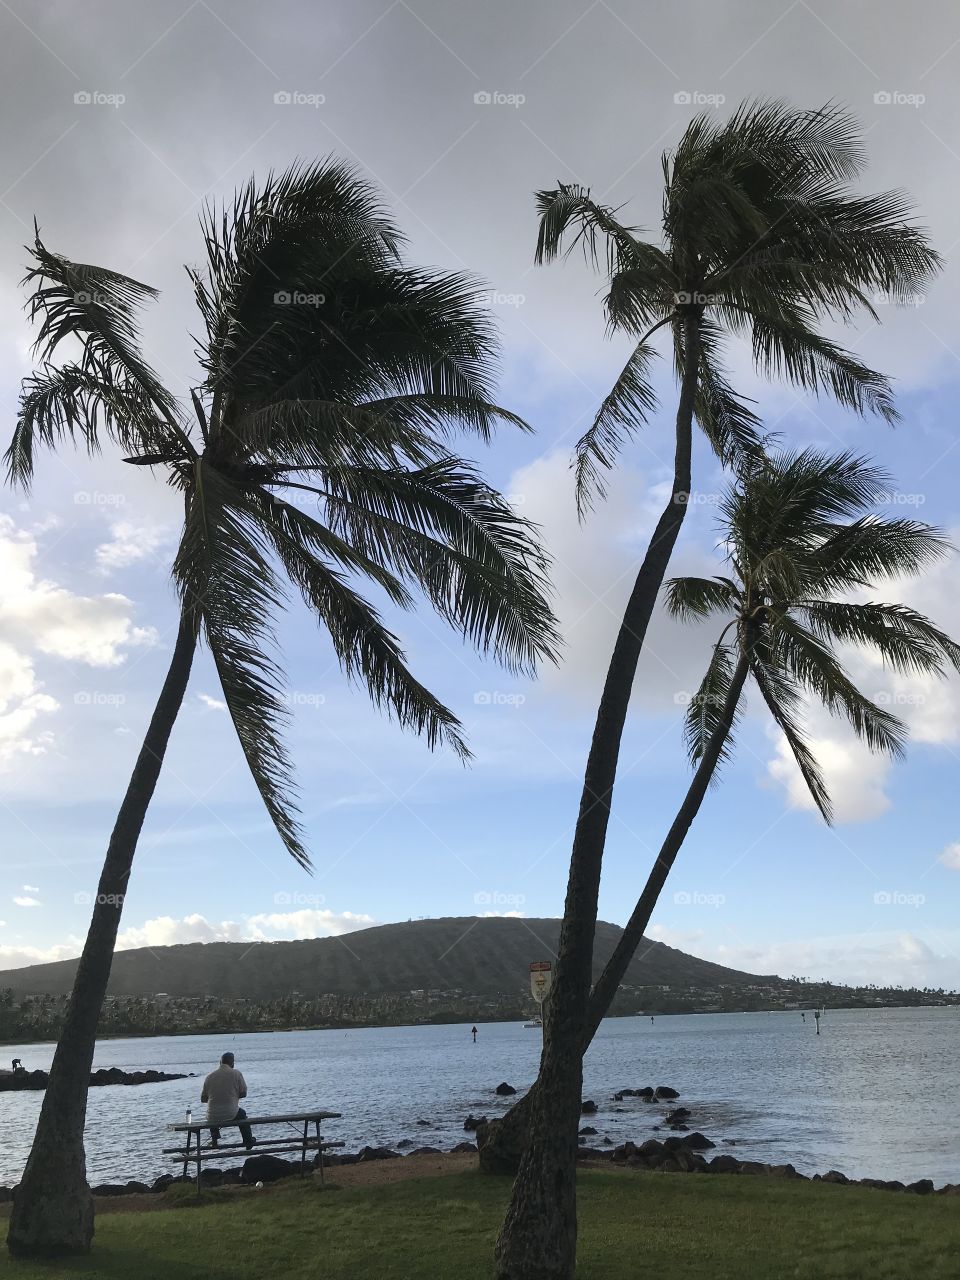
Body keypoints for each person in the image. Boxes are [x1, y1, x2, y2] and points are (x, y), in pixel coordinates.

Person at [201, 1051, 256, 1149]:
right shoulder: (236, 1073)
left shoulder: (209, 1076)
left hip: (212, 1116)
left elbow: (203, 1099)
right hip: (231, 1113)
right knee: (242, 1114)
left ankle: (214, 1141)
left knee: (212, 1113)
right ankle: (248, 1141)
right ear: (233, 1063)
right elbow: (244, 1093)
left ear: (220, 1062)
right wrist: (233, 1095)